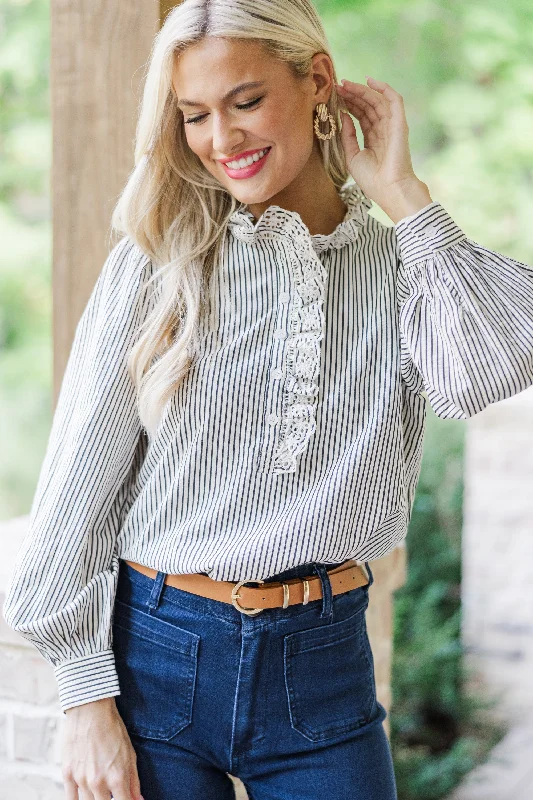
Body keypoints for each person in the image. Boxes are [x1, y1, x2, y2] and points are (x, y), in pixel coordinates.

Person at [4, 0, 533, 798]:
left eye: (245, 101)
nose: (221, 140)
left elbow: (487, 368)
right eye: (194, 116)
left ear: (317, 80)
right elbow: (79, 483)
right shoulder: (156, 262)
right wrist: (84, 698)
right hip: (157, 660)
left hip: (323, 669)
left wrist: (403, 194)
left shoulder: (404, 271)